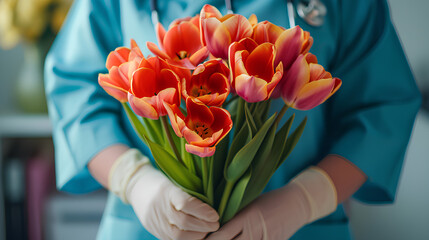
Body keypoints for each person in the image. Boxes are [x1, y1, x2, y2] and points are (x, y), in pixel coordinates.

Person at [44, 0, 421, 239]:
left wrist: (306, 199)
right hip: (145, 228)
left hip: (303, 229)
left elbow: (382, 105)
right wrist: (135, 182)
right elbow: (75, 90)